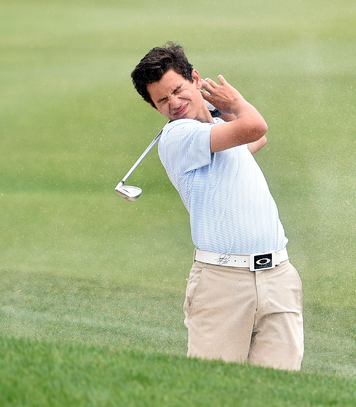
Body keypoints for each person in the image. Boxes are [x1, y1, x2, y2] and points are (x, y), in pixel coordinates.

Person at [130, 42, 303, 371]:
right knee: (213, 392)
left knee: (280, 393)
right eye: (162, 100)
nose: (174, 104)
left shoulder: (216, 132)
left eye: (178, 90)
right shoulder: (178, 136)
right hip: (222, 284)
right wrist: (234, 102)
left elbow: (254, 141)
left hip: (277, 276)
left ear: (194, 78)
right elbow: (256, 126)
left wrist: (215, 110)